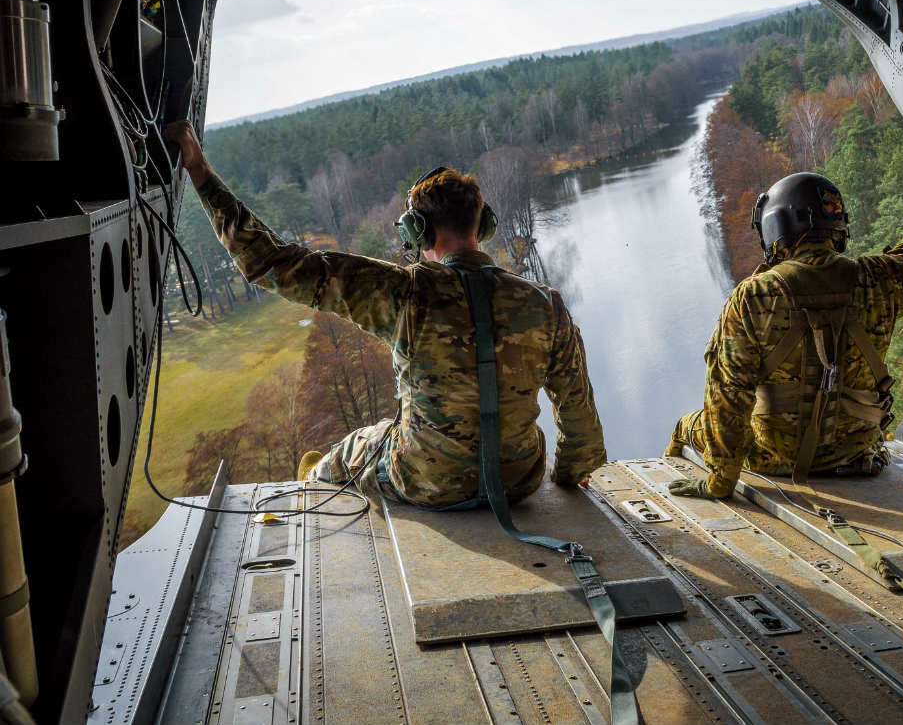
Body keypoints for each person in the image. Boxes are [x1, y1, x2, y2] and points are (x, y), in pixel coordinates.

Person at [163, 120, 607, 507]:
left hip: (424, 482)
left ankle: (309, 503)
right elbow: (580, 419)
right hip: (519, 482)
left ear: (420, 232)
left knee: (351, 449)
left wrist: (200, 172)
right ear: (483, 225)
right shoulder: (544, 304)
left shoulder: (403, 293)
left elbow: (271, 262)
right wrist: (568, 475)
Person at [664, 141, 903, 499]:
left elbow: (728, 398)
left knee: (687, 426)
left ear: (776, 230)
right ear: (836, 226)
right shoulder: (883, 279)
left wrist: (719, 483)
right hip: (856, 456)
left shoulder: (753, 297)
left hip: (775, 458)